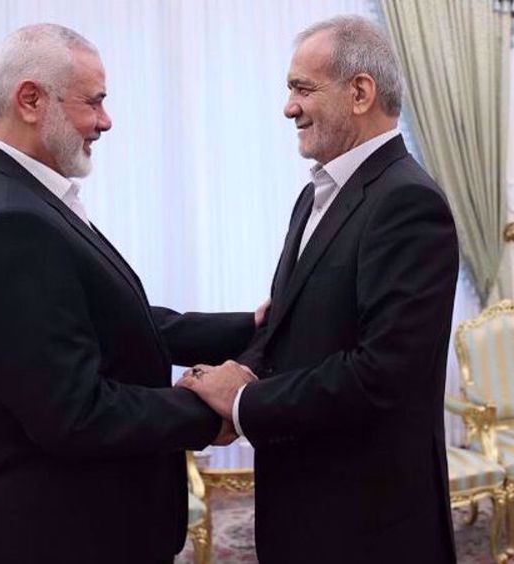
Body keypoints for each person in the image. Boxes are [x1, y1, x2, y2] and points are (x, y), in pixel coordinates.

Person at [0, 24, 258, 564]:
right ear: (31, 99)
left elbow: (104, 321)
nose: (105, 120)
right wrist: (213, 410)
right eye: (93, 102)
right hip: (38, 530)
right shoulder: (6, 221)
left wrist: (249, 327)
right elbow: (74, 413)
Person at [178, 15, 459, 563]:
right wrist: (234, 375)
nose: (289, 107)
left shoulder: (408, 202)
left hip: (369, 520)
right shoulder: (314, 196)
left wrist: (241, 402)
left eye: (302, 89)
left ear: (359, 92)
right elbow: (284, 324)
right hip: (301, 501)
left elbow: (382, 374)